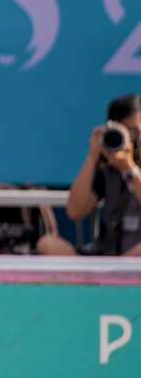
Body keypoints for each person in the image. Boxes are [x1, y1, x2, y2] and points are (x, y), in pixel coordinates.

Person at [37, 95, 141, 257]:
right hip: (104, 253)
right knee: (48, 244)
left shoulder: (131, 167)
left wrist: (130, 168)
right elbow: (75, 211)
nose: (132, 139)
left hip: (134, 256)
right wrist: (92, 157)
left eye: (136, 131)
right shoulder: (106, 167)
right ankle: (96, 278)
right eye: (126, 131)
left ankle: (114, 277)